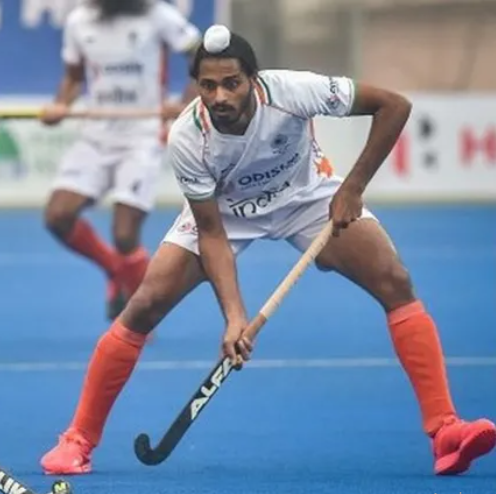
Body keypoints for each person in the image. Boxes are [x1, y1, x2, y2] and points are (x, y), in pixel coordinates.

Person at [40, 24, 495, 476]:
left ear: (253, 80)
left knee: (394, 281)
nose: (220, 96)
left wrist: (353, 188)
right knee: (144, 305)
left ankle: (445, 430)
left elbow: (394, 105)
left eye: (232, 83)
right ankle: (77, 440)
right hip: (226, 211)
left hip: (308, 198)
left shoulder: (293, 91)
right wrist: (234, 316)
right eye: (208, 86)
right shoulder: (187, 137)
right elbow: (211, 233)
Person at [40, 0, 201, 320]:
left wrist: (188, 101)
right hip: (95, 135)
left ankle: (139, 314)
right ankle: (118, 271)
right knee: (58, 216)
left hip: (142, 135)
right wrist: (61, 104)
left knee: (125, 234)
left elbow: (201, 55)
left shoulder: (158, 15)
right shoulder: (78, 21)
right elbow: (73, 77)